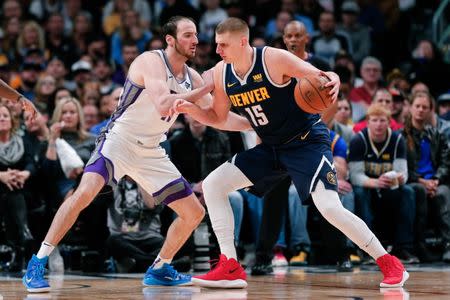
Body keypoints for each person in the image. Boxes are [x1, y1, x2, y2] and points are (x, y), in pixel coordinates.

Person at [173, 17, 408, 289]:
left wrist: (332, 77)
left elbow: (320, 77)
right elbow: (221, 117)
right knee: (214, 184)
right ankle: (230, 266)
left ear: (242, 41)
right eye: (216, 45)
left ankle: (389, 262)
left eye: (223, 44)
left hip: (306, 141)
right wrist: (195, 112)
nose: (218, 50)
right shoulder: (220, 74)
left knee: (329, 207)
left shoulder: (274, 59)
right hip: (272, 147)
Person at [22, 16, 248, 293]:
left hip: (151, 149)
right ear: (170, 39)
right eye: (188, 35)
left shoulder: (192, 77)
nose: (196, 41)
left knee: (193, 212)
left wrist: (255, 124)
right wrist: (209, 86)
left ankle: (160, 266)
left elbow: (217, 117)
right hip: (120, 140)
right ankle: (38, 260)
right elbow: (164, 103)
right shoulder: (150, 61)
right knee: (85, 192)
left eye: (196, 35)